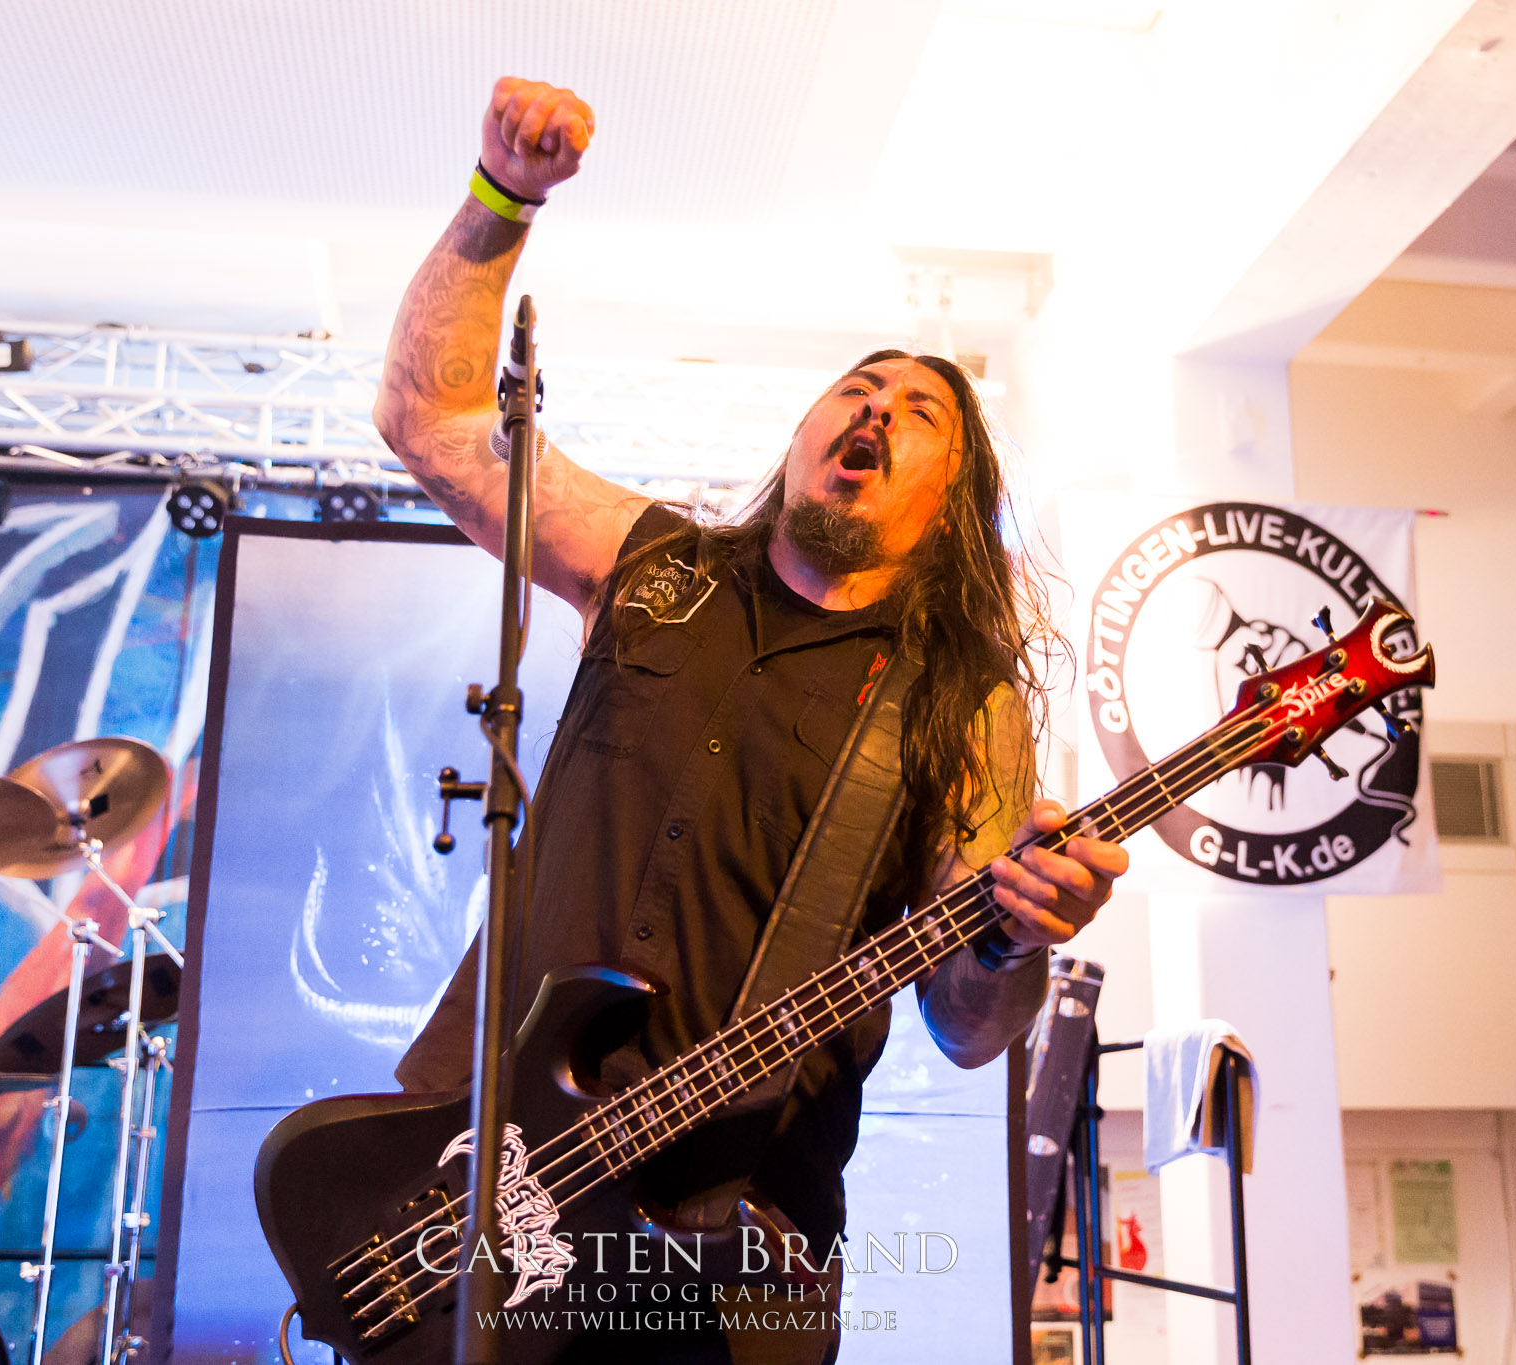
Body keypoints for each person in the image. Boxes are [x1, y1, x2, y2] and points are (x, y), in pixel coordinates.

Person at [377, 78, 1129, 1363]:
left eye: (919, 411)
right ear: (802, 435)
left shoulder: (961, 704)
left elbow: (964, 1026)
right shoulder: (649, 566)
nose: (875, 409)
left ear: (950, 502)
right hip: (482, 1174)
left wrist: (1015, 941)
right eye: (857, 389)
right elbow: (432, 424)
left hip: (734, 1241)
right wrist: (500, 198)